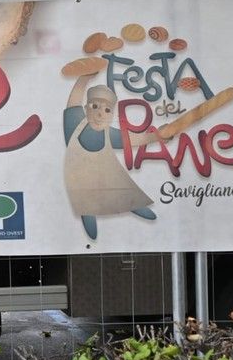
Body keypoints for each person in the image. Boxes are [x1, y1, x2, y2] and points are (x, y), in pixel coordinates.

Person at [63, 74, 162, 240]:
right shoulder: (74, 125)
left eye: (107, 110)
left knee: (122, 187)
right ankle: (87, 213)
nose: (100, 114)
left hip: (107, 175)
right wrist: (83, 79)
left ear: (111, 116)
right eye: (95, 106)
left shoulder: (110, 134)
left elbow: (133, 139)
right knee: (84, 198)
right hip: (82, 180)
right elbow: (73, 103)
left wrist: (156, 136)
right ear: (86, 109)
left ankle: (133, 204)